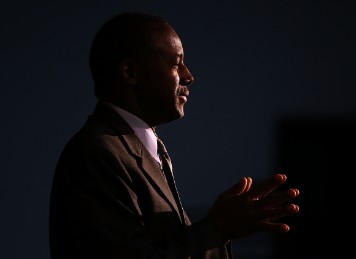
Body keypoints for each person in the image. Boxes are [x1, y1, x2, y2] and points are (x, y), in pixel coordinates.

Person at [49, 11, 300, 259]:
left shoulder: (140, 148)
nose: (188, 77)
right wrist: (217, 227)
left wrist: (222, 229)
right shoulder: (98, 153)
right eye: (175, 64)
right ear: (130, 72)